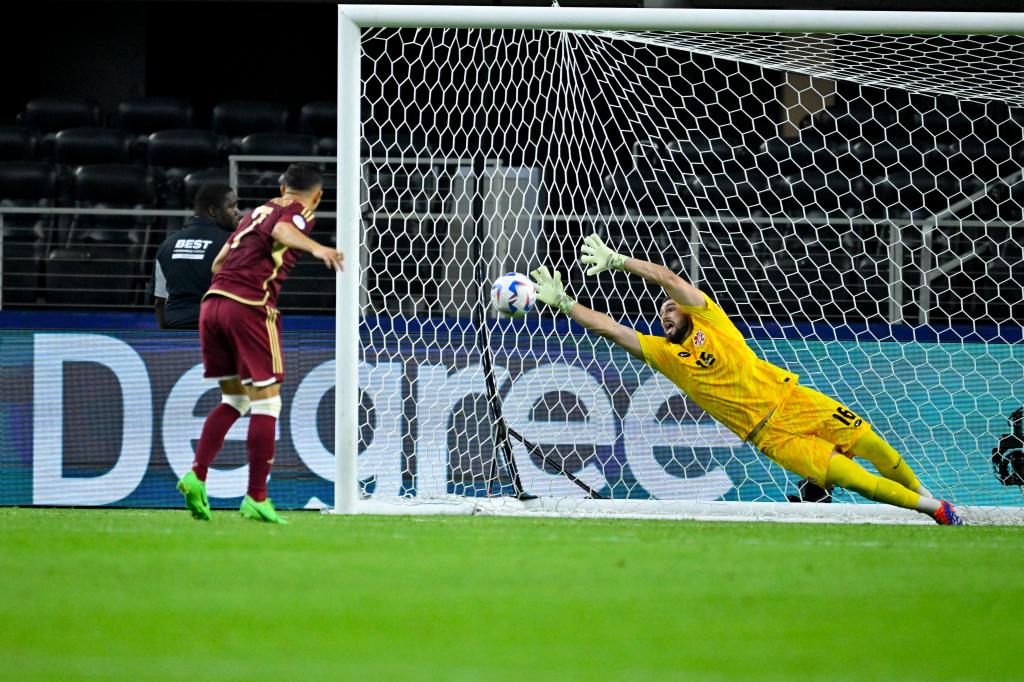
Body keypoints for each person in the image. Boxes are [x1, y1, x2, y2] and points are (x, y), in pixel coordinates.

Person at [530, 233, 963, 525]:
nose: (664, 313)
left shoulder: (710, 318)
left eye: (670, 309)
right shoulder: (666, 355)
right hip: (770, 436)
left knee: (874, 446)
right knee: (853, 479)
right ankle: (935, 510)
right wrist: (566, 304)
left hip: (794, 399)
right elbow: (612, 328)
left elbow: (669, 278)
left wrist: (620, 262)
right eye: (661, 313)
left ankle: (925, 491)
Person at [176, 163, 344, 523]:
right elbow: (284, 230)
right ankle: (256, 497)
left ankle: (196, 474)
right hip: (248, 307)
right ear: (318, 195)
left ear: (281, 185)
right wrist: (317, 249)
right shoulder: (299, 212)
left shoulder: (254, 212)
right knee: (267, 404)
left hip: (212, 304)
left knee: (235, 398)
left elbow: (219, 262)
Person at [151, 184, 239, 329]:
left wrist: (166, 336)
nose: (237, 212)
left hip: (176, 331)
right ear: (212, 211)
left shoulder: (166, 245)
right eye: (231, 206)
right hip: (216, 331)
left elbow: (160, 301)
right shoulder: (231, 245)